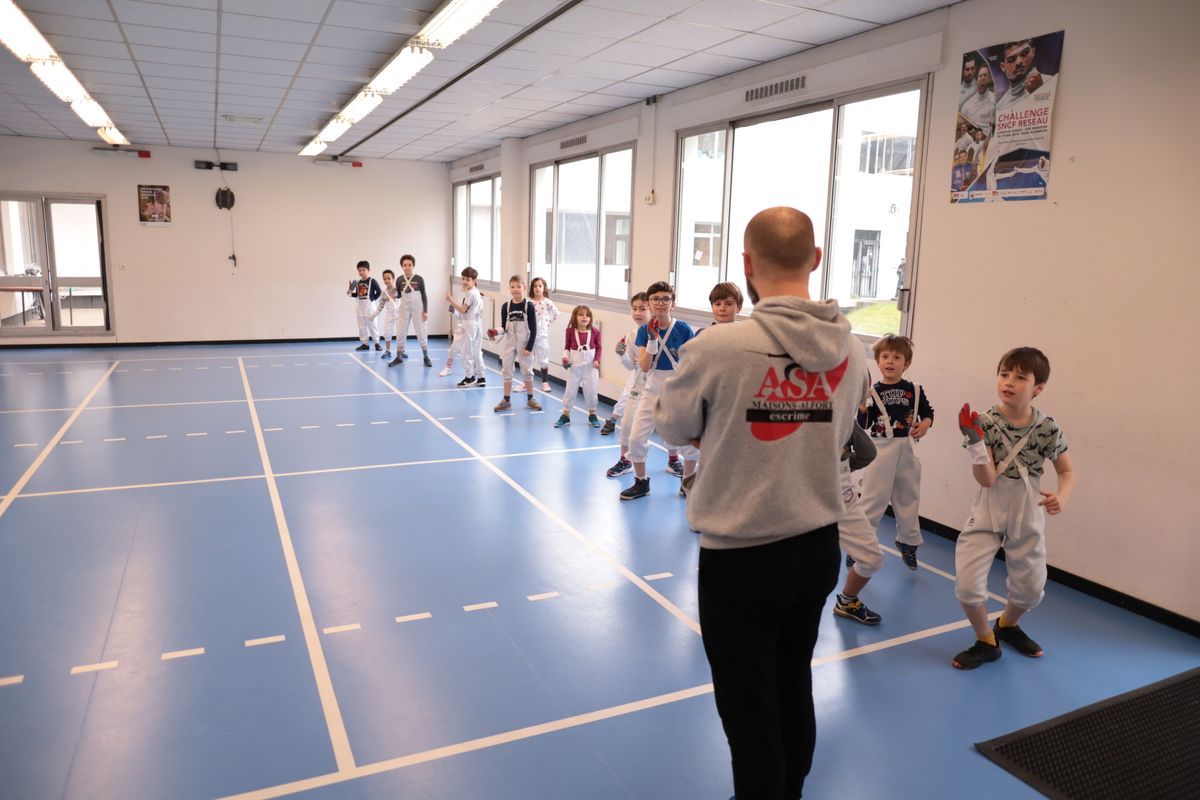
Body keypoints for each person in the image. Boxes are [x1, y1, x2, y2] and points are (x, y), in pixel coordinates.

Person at [655, 207, 868, 800]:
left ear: (746, 267)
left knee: (748, 705)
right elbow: (838, 431)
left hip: (742, 557)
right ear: (816, 260)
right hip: (817, 547)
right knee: (792, 680)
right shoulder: (855, 352)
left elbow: (673, 428)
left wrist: (718, 427)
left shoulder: (718, 347)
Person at [952, 347, 1076, 670]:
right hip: (989, 507)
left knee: (1031, 588)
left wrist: (1062, 495)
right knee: (967, 585)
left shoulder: (1048, 428)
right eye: (1004, 374)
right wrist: (977, 445)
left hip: (1028, 508)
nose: (1008, 382)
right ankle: (985, 640)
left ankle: (1007, 625)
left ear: (1038, 388)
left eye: (1020, 377)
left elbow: (1067, 471)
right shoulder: (986, 422)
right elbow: (988, 480)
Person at [856, 335, 934, 571]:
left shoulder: (915, 390)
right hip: (880, 450)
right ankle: (859, 547)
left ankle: (908, 542)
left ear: (906, 363)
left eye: (896, 357)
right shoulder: (872, 393)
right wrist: (861, 407)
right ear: (878, 361)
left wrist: (926, 423)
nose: (890, 361)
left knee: (909, 497)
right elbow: (865, 424)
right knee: (872, 500)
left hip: (906, 449)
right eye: (885, 357)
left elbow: (927, 412)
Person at [619, 281, 696, 500]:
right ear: (650, 303)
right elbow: (644, 365)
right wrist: (652, 340)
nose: (660, 303)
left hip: (678, 388)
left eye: (665, 299)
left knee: (690, 440)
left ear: (673, 303)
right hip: (652, 387)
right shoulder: (644, 330)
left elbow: (691, 361)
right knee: (635, 438)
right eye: (655, 299)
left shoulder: (683, 329)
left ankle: (688, 483)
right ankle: (641, 482)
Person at [833, 425, 884, 625]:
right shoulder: (841, 411)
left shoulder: (842, 414)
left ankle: (846, 601)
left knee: (871, 557)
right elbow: (867, 452)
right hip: (814, 492)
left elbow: (868, 452)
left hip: (840, 492)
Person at [602, 291, 649, 448]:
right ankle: (613, 420)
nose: (637, 313)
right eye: (634, 309)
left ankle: (673, 458)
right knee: (626, 397)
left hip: (661, 381)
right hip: (639, 378)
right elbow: (631, 366)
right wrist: (621, 354)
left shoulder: (663, 332)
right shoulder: (632, 336)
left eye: (642, 309)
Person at [490, 275, 541, 413]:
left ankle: (531, 399)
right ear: (509, 288)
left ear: (524, 287)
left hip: (524, 344)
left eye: (518, 286)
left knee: (526, 370)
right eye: (513, 287)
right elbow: (503, 327)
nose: (516, 289)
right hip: (509, 343)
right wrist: (495, 331)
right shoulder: (506, 306)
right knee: (506, 370)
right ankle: (506, 400)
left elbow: (533, 329)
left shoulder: (528, 306)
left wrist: (529, 347)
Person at [554, 305, 602, 428]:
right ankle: (565, 415)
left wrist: (597, 360)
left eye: (587, 315)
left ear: (590, 318)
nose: (584, 317)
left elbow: (599, 348)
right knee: (570, 390)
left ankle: (592, 414)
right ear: (575, 317)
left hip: (590, 367)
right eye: (581, 315)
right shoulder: (570, 331)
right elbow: (567, 347)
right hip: (574, 366)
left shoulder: (595, 332)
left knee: (591, 390)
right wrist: (565, 358)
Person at [390, 255, 432, 367]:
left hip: (418, 308)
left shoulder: (419, 279)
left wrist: (426, 311)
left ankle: (426, 357)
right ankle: (399, 357)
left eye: (409, 265)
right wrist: (393, 295)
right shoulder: (399, 279)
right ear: (401, 266)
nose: (407, 267)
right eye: (405, 265)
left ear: (413, 265)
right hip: (404, 308)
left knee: (421, 332)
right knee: (400, 332)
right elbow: (399, 294)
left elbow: (424, 294)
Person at [445, 267, 485, 387]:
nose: (465, 282)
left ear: (474, 280)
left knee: (466, 351)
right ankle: (481, 376)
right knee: (477, 351)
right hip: (477, 324)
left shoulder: (470, 293)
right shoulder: (477, 292)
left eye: (468, 279)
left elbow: (463, 310)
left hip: (469, 325)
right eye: (463, 279)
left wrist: (451, 300)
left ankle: (469, 376)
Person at [529, 277, 559, 392]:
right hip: (530, 334)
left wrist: (547, 323)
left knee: (543, 357)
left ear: (544, 288)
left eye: (540, 286)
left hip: (542, 335)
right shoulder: (529, 302)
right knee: (528, 358)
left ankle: (544, 382)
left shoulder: (547, 302)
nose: (537, 288)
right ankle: (527, 381)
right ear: (532, 288)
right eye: (535, 286)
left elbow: (556, 313)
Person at [347, 260, 382, 351]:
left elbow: (379, 292)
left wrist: (372, 298)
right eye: (359, 270)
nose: (361, 272)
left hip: (370, 307)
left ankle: (377, 343)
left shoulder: (372, 281)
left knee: (373, 325)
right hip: (360, 307)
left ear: (368, 270)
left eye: (363, 270)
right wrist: (350, 291)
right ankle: (365, 344)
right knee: (361, 326)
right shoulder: (357, 282)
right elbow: (358, 294)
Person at [371, 269, 399, 361]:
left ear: (393, 279)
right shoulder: (383, 293)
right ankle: (388, 351)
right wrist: (373, 315)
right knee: (387, 332)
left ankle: (402, 351)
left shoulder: (398, 290)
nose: (386, 280)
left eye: (389, 278)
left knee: (401, 333)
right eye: (385, 279)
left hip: (400, 314)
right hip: (389, 315)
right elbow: (380, 307)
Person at [961, 65, 996, 137]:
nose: (982, 78)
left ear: (989, 79)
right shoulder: (967, 105)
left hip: (988, 142)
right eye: (980, 76)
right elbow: (962, 124)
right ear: (976, 80)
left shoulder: (996, 99)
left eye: (985, 75)